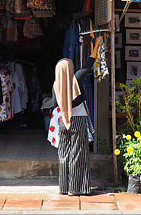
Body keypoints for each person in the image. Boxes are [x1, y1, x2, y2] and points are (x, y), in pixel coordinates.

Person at [43, 56, 95, 196]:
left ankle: (64, 188)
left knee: (64, 154)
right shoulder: (76, 79)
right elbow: (88, 64)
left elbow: (55, 103)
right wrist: (96, 45)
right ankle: (76, 188)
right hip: (78, 121)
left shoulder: (56, 85)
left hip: (62, 122)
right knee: (77, 154)